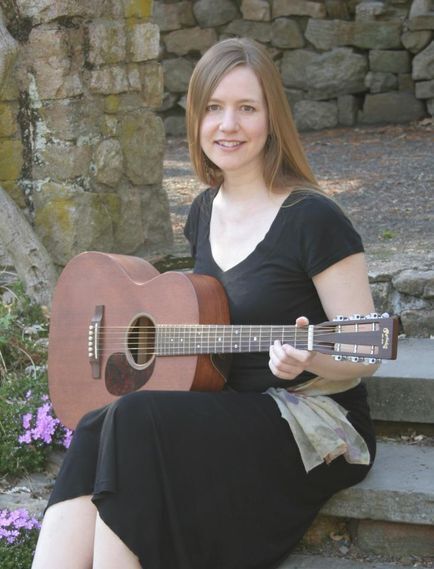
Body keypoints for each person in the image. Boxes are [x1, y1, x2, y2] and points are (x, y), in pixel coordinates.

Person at [32, 37, 379, 569]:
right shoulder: (202, 210)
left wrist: (309, 357)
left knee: (133, 419)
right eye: (213, 108)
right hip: (229, 407)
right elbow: (203, 323)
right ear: (196, 120)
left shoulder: (314, 218)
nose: (228, 125)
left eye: (246, 108)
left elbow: (364, 351)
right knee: (103, 420)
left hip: (313, 417)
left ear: (272, 117)